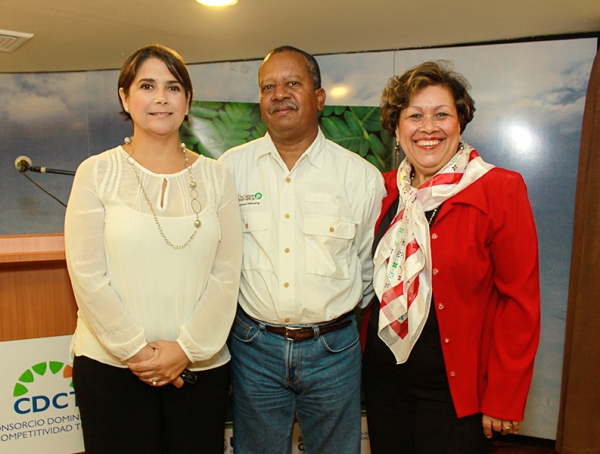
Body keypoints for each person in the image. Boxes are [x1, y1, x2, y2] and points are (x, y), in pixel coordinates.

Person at [64, 44, 242, 453]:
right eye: (147, 85)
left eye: (173, 87)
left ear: (187, 100)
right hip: (111, 367)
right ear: (125, 97)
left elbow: (226, 274)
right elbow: (87, 275)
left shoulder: (217, 178)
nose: (161, 98)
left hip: (199, 367)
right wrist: (137, 352)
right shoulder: (97, 172)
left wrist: (186, 349)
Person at [361, 61, 541, 453]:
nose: (429, 127)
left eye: (442, 114)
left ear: (460, 122)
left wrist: (504, 396)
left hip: (455, 389)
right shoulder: (382, 189)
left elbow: (519, 302)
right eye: (414, 116)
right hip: (382, 377)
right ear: (396, 128)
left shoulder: (500, 189)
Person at [219, 45, 385, 454]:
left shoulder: (360, 177)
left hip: (334, 350)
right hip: (254, 347)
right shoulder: (228, 169)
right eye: (268, 87)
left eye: (293, 83)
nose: (279, 94)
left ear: (320, 97)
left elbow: (368, 269)